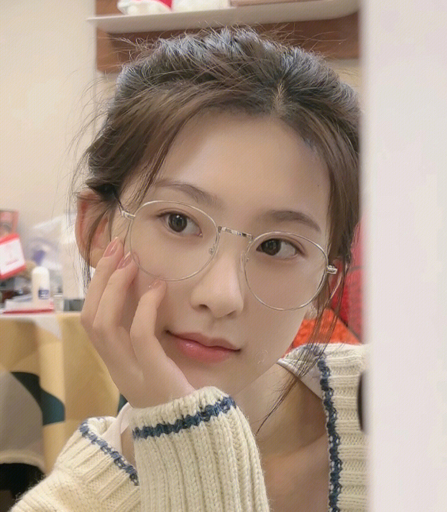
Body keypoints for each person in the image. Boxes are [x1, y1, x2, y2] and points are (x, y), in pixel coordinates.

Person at [13, 27, 366, 511]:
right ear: (97, 230)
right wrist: (193, 449)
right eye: (178, 222)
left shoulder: (417, 406)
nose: (221, 296)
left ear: (325, 284)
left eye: (277, 246)